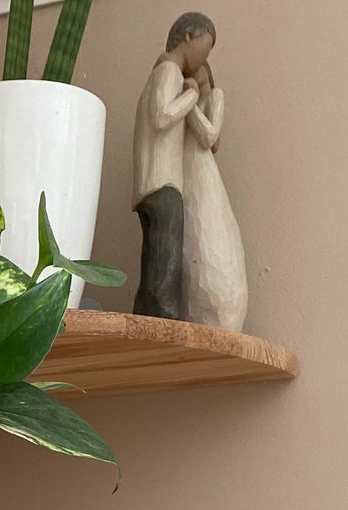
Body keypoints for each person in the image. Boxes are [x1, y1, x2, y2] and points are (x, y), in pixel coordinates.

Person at [132, 11, 219, 320]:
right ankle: (163, 318)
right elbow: (162, 116)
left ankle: (145, 316)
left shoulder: (160, 74)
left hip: (150, 181)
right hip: (163, 180)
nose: (204, 59)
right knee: (165, 256)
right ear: (188, 38)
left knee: (153, 256)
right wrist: (192, 95)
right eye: (204, 49)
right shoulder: (168, 71)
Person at [182, 61, 248, 330]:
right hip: (187, 170)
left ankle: (220, 313)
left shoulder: (214, 96)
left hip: (202, 170)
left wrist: (190, 103)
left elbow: (209, 135)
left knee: (210, 232)